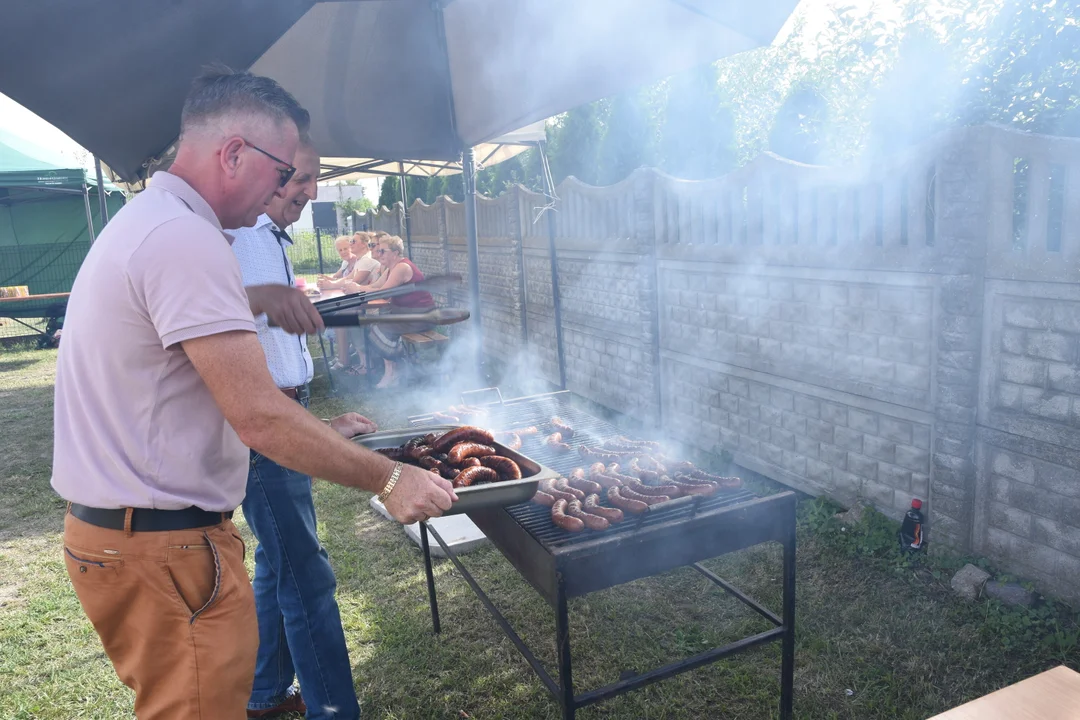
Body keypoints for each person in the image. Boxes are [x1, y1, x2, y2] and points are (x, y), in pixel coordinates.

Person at [51, 66, 456, 720]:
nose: (283, 191)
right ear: (235, 152)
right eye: (281, 173)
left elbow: (192, 372)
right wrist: (390, 480)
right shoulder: (185, 238)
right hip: (165, 551)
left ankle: (271, 695)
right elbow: (260, 418)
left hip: (130, 540)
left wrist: (319, 428)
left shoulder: (154, 222)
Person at [229, 137, 366, 719]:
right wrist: (263, 298)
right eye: (302, 179)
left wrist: (316, 420)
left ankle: (264, 692)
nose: (311, 193)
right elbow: (198, 304)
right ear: (268, 172)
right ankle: (334, 709)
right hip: (263, 429)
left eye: (314, 180)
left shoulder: (270, 237)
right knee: (307, 575)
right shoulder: (228, 233)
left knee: (277, 559)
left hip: (287, 412)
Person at [349, 234, 436, 389]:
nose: (378, 253)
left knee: (378, 327)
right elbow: (375, 286)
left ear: (395, 253)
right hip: (406, 314)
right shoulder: (392, 268)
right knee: (375, 324)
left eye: (383, 251)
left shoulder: (402, 267)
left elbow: (383, 293)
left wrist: (357, 289)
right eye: (378, 250)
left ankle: (395, 369)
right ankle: (395, 367)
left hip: (420, 316)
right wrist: (357, 288)